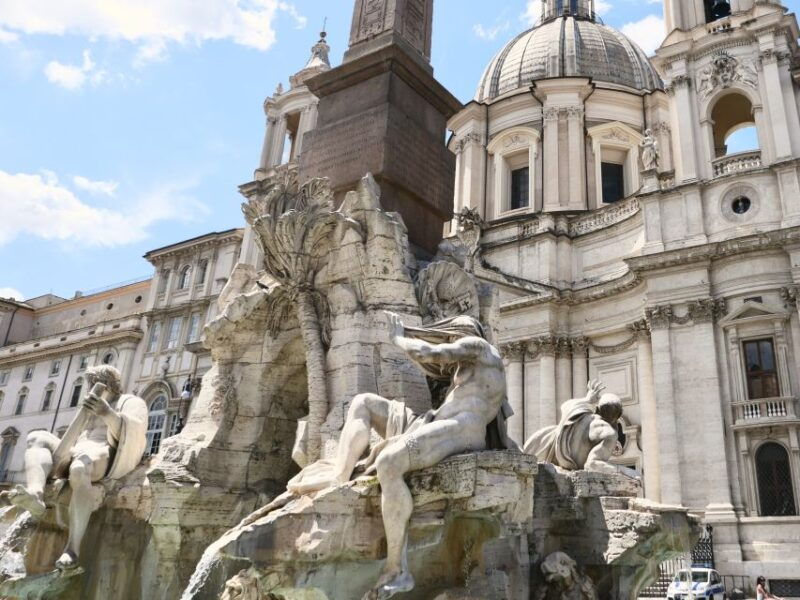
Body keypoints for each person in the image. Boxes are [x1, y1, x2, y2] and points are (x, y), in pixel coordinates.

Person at [286, 312, 514, 600]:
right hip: (432, 422)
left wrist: (398, 338)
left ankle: (397, 569)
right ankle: (339, 476)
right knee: (363, 403)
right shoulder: (468, 364)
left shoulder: (481, 348)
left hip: (463, 430)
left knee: (389, 462)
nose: (451, 343)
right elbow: (433, 359)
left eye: (450, 337)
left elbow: (433, 352)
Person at [0, 365, 147, 570]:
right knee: (36, 438)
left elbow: (136, 433)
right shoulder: (87, 405)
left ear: (110, 385)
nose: (89, 388)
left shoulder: (130, 402)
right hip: (76, 448)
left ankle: (72, 549)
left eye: (93, 383)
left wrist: (107, 413)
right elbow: (71, 438)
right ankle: (36, 493)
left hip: (103, 452)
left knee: (79, 468)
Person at [523, 380, 636, 477]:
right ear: (618, 416)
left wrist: (587, 399)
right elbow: (592, 464)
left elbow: (566, 405)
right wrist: (627, 471)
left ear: (596, 409)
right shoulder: (609, 434)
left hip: (550, 456)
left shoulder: (579, 413)